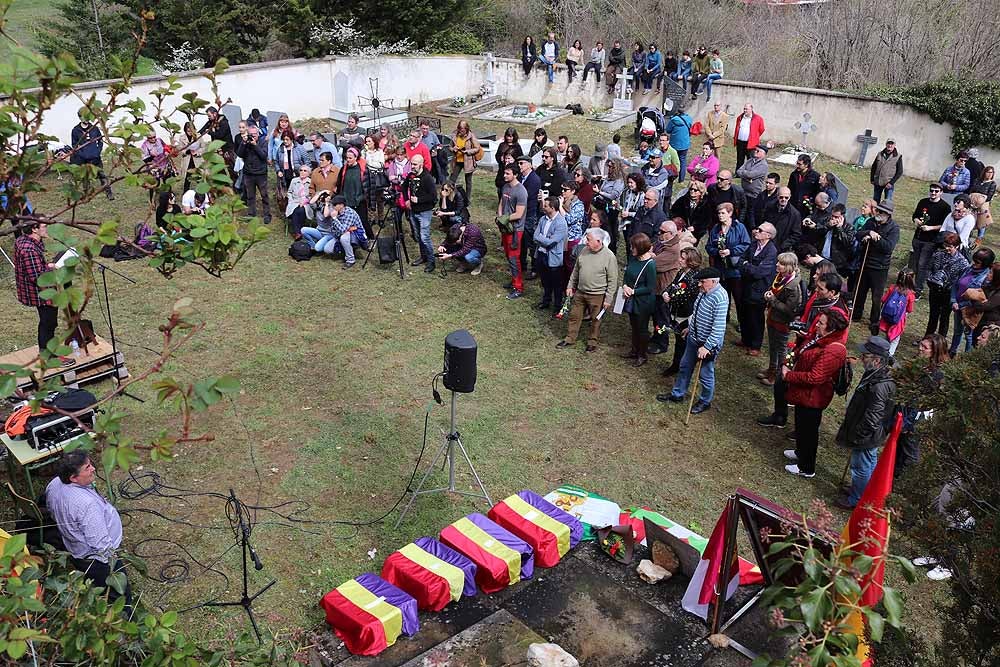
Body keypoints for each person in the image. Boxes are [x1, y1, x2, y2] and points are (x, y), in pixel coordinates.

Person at [758, 271, 848, 428]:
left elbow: (836, 340)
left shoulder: (838, 312)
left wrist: (810, 336)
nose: (816, 290)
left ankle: (800, 431)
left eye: (821, 288)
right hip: (801, 345)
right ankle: (780, 416)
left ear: (832, 292)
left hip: (814, 354)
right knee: (782, 378)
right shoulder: (819, 298)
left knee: (801, 391)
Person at [46, 451, 130, 605]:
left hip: (76, 550)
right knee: (120, 599)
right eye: (87, 468)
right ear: (73, 478)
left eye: (90, 464)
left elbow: (51, 511)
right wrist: (113, 565)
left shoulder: (54, 485)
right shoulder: (86, 505)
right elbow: (100, 543)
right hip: (98, 560)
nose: (93, 469)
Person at [777, 309, 850, 480]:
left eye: (821, 323)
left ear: (831, 328)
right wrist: (789, 359)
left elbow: (815, 377)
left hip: (814, 397)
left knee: (809, 431)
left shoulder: (834, 350)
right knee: (801, 426)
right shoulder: (819, 338)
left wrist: (789, 375)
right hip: (804, 394)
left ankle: (806, 467)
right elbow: (799, 352)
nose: (817, 325)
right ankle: (800, 452)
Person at [834, 336, 897, 508]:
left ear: (877, 360)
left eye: (865, 355)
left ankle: (856, 499)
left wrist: (858, 435)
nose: (861, 358)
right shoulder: (876, 373)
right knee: (868, 462)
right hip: (873, 434)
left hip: (867, 434)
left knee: (860, 466)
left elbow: (873, 417)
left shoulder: (879, 385)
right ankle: (863, 491)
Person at [658, 267, 729, 414]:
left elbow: (718, 328)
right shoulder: (703, 292)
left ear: (714, 281)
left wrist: (707, 347)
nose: (699, 284)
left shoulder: (721, 298)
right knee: (685, 366)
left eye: (702, 282)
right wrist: (690, 327)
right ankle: (677, 394)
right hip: (694, 338)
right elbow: (696, 312)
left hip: (707, 344)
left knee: (705, 374)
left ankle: (705, 401)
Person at [559, 227, 619, 351]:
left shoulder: (609, 256)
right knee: (574, 316)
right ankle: (570, 338)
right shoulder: (584, 250)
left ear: (598, 241)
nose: (586, 241)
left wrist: (608, 299)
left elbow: (613, 280)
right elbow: (576, 270)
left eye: (589, 239)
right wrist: (570, 286)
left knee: (595, 320)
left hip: (597, 295)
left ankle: (592, 341)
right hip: (580, 292)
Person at [853, 201, 900, 335]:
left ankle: (874, 320)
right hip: (865, 263)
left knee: (876, 296)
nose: (878, 213)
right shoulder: (871, 222)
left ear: (888, 215)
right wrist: (868, 233)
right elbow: (858, 234)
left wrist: (875, 238)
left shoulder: (893, 228)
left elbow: (888, 247)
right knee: (860, 291)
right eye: (878, 210)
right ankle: (856, 314)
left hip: (880, 267)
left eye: (881, 212)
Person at [14, 221, 60, 355]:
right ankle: (48, 355)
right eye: (44, 227)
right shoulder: (29, 250)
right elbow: (37, 277)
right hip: (40, 292)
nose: (47, 229)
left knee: (47, 322)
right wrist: (52, 268)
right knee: (48, 323)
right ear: (34, 229)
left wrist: (47, 266)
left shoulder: (23, 240)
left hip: (36, 290)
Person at [760, 252, 803, 386]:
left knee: (781, 349)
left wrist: (772, 299)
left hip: (782, 322)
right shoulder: (780, 277)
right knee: (773, 346)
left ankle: (777, 375)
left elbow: (789, 310)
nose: (777, 265)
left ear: (789, 267)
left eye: (782, 264)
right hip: (773, 317)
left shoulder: (793, 287)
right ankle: (771, 369)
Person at [738, 222, 779, 355]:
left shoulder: (771, 251)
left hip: (759, 289)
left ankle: (755, 345)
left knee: (756, 317)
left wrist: (747, 266)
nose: (756, 231)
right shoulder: (754, 244)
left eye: (760, 230)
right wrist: (749, 266)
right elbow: (740, 260)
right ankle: (745, 339)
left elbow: (759, 272)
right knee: (744, 313)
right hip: (746, 285)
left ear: (768, 235)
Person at [707, 202, 750, 324]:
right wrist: (716, 251)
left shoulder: (739, 227)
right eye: (719, 213)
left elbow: (746, 244)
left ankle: (743, 323)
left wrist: (731, 251)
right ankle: (722, 320)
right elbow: (708, 246)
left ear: (730, 213)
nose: (720, 216)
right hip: (720, 269)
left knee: (738, 299)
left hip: (735, 270)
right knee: (723, 297)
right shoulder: (716, 228)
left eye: (723, 213)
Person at [619, 233, 658, 367]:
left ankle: (642, 355)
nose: (631, 249)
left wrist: (633, 291)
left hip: (643, 302)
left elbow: (650, 287)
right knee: (634, 326)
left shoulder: (650, 265)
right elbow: (626, 274)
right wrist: (624, 285)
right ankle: (634, 350)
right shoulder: (633, 258)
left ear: (641, 248)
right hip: (631, 299)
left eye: (633, 247)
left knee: (642, 329)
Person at [950, 247, 995, 355]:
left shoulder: (986, 278)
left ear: (985, 264)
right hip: (957, 307)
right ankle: (952, 351)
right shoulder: (968, 269)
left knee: (969, 335)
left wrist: (961, 304)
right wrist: (953, 301)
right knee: (957, 331)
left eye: (977, 262)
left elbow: (979, 298)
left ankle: (967, 356)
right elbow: (956, 285)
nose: (974, 263)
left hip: (970, 311)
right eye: (974, 260)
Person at [909, 183, 952, 297]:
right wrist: (917, 221)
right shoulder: (923, 202)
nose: (933, 193)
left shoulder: (945, 207)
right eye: (932, 190)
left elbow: (944, 225)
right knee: (914, 264)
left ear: (941, 192)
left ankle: (917, 290)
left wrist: (930, 228)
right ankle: (910, 285)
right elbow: (915, 215)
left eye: (936, 191)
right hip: (918, 237)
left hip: (931, 240)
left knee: (922, 265)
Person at [924, 233, 970, 339]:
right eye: (946, 245)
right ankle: (928, 338)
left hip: (949, 293)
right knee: (933, 315)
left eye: (951, 246)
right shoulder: (938, 255)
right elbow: (929, 268)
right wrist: (931, 279)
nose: (947, 248)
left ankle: (941, 341)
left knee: (944, 318)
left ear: (957, 246)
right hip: (935, 290)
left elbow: (962, 282)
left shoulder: (963, 263)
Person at [301, 194, 365, 268]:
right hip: (337, 234)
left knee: (344, 238)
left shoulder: (349, 213)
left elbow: (343, 230)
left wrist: (334, 218)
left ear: (341, 205)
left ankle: (350, 259)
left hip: (356, 235)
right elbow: (311, 203)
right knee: (327, 249)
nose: (333, 206)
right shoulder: (335, 211)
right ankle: (344, 249)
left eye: (335, 204)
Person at [649, 220, 683, 355]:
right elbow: (650, 249)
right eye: (659, 230)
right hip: (656, 287)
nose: (659, 233)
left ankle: (661, 343)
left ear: (670, 234)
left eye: (662, 232)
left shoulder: (673, 250)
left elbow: (653, 263)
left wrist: (653, 255)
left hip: (663, 289)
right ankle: (656, 337)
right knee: (656, 317)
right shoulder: (663, 241)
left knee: (662, 319)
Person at [534, 195, 568, 314]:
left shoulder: (561, 223)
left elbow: (551, 242)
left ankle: (557, 305)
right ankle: (546, 301)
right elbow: (535, 236)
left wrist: (542, 239)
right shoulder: (543, 219)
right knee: (545, 281)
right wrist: (544, 238)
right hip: (541, 255)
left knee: (556, 284)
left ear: (553, 208)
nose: (543, 207)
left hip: (553, 258)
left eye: (546, 206)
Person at [497, 164, 527, 299]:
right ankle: (514, 280)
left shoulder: (521, 191)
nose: (504, 176)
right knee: (509, 256)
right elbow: (501, 203)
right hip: (505, 227)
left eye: (507, 173)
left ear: (515, 174)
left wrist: (505, 218)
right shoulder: (505, 186)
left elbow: (519, 214)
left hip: (515, 230)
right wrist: (499, 217)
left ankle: (518, 287)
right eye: (504, 173)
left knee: (514, 258)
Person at [70, 107, 113, 199]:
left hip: (95, 157)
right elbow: (74, 145)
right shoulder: (75, 130)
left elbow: (100, 140)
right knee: (85, 177)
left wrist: (98, 151)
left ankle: (108, 192)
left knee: (101, 174)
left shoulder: (94, 128)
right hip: (83, 158)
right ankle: (87, 194)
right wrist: (82, 154)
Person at [405, 154, 437, 272]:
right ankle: (423, 257)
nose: (412, 166)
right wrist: (407, 199)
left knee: (425, 237)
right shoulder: (411, 176)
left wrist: (419, 200)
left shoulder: (427, 178)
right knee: (418, 236)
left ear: (421, 164)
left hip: (425, 212)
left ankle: (431, 261)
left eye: (415, 164)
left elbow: (433, 196)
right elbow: (404, 187)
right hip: (414, 211)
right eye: (411, 164)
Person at [235, 123, 270, 224]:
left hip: (261, 173)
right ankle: (251, 214)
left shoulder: (263, 142)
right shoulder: (245, 143)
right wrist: (243, 143)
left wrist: (255, 145)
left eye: (255, 134)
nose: (253, 136)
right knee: (250, 195)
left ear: (258, 134)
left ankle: (267, 214)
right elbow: (239, 154)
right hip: (248, 173)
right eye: (251, 134)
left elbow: (264, 156)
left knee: (264, 195)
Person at [879, 269, 917, 355]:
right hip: (898, 320)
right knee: (895, 339)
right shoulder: (910, 294)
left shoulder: (892, 288)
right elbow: (910, 309)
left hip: (886, 316)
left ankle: (880, 350)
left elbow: (883, 299)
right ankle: (889, 355)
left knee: (884, 334)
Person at [516, 156, 542, 277]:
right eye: (519, 163)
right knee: (521, 242)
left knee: (531, 242)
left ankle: (535, 268)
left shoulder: (534, 179)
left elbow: (526, 197)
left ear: (529, 165)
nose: (519, 165)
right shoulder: (521, 177)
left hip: (529, 214)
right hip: (522, 214)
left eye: (521, 163)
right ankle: (522, 265)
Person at [336, 147, 370, 236]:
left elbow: (368, 185)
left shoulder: (363, 169)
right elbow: (339, 184)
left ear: (356, 158)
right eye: (346, 158)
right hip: (347, 200)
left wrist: (364, 197)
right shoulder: (343, 169)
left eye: (350, 158)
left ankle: (369, 238)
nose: (348, 160)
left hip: (359, 200)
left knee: (363, 221)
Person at [200, 106, 236, 181]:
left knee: (231, 169)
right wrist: (197, 135)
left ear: (215, 114)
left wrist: (209, 132)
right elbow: (202, 129)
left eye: (209, 116)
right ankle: (224, 184)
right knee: (218, 168)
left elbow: (220, 135)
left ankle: (237, 187)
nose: (208, 118)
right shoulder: (211, 121)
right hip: (217, 149)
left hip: (227, 149)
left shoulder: (224, 122)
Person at [140, 129, 175, 204]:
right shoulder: (144, 145)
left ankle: (170, 197)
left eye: (154, 137)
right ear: (147, 138)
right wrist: (151, 156)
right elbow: (144, 159)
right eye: (150, 138)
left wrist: (166, 151)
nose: (153, 139)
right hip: (154, 167)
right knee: (154, 184)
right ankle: (152, 200)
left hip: (164, 165)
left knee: (167, 181)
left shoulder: (159, 140)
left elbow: (166, 146)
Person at [449, 120, 481, 198]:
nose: (461, 131)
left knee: (468, 181)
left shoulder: (471, 136)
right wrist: (453, 149)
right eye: (460, 129)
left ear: (466, 129)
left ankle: (467, 199)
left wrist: (467, 151)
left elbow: (477, 148)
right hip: (457, 161)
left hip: (468, 161)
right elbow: (450, 146)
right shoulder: (455, 135)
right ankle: (449, 196)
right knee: (452, 179)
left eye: (463, 129)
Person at [970, 263, 1000, 343]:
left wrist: (978, 301)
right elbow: (975, 297)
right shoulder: (988, 286)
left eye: (991, 272)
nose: (988, 274)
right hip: (980, 323)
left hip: (990, 328)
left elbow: (984, 306)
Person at [176, 121, 208, 193]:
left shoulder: (198, 136)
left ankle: (202, 193)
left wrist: (197, 153)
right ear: (185, 131)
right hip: (188, 160)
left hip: (197, 160)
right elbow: (180, 148)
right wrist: (186, 151)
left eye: (191, 131)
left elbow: (203, 147)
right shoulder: (182, 138)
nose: (190, 132)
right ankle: (185, 193)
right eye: (188, 131)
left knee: (199, 177)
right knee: (187, 178)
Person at [274, 131, 309, 195]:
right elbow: (276, 161)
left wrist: (306, 173)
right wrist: (278, 171)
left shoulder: (299, 148)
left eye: (287, 139)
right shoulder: (280, 149)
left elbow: (307, 161)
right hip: (285, 176)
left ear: (292, 139)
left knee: (299, 193)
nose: (285, 141)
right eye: (283, 139)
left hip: (297, 175)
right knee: (288, 194)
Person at [733, 103, 765, 170]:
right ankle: (738, 173)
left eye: (746, 109)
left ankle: (748, 173)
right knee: (739, 158)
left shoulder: (758, 118)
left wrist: (754, 136)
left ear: (751, 109)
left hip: (751, 143)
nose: (745, 110)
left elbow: (762, 129)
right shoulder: (740, 117)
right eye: (744, 109)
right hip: (740, 142)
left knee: (750, 159)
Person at [285, 165, 314, 238]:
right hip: (294, 202)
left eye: (305, 171)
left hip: (306, 203)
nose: (302, 172)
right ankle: (298, 232)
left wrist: (305, 201)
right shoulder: (294, 181)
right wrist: (291, 201)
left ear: (308, 173)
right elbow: (289, 192)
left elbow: (312, 195)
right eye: (301, 170)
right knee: (295, 210)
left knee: (301, 210)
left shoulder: (311, 182)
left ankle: (298, 231)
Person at [736, 145, 768, 210]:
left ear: (763, 154)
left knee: (750, 214)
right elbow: (738, 171)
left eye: (758, 151)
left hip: (753, 195)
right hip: (744, 192)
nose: (755, 152)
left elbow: (751, 175)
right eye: (755, 150)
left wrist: (744, 174)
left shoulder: (763, 165)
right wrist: (747, 177)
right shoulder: (750, 160)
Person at [667, 111, 694, 181]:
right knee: (682, 161)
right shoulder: (689, 119)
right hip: (685, 144)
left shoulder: (673, 120)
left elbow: (668, 130)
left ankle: (672, 176)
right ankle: (681, 178)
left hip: (674, 144)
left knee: (672, 160)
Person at [619, 172, 645, 241]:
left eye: (631, 183)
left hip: (636, 223)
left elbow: (641, 212)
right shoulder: (627, 192)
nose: (629, 185)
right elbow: (624, 204)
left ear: (637, 182)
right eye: (628, 182)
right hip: (626, 222)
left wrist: (629, 214)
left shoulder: (642, 195)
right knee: (627, 241)